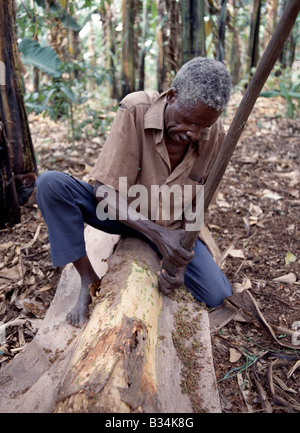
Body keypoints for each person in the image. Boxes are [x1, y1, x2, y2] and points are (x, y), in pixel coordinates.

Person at [36, 56, 233, 327]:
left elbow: (200, 204)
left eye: (203, 127)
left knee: (218, 294)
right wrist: (158, 235)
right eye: (188, 121)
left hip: (170, 224)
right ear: (172, 96)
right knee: (51, 185)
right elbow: (104, 192)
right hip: (120, 214)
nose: (194, 134)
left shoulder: (216, 135)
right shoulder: (136, 109)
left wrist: (182, 258)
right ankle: (87, 279)